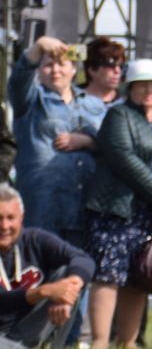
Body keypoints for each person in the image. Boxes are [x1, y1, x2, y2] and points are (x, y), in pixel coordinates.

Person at [83, 59, 152, 349]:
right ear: (131, 88)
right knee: (108, 275)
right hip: (116, 210)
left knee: (140, 277)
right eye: (143, 85)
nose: (150, 90)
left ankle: (127, 343)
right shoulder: (118, 116)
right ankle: (100, 343)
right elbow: (125, 160)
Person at [9, 36, 103, 243]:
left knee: (79, 270)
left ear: (73, 70)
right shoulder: (30, 100)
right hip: (43, 205)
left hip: (84, 205)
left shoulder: (95, 105)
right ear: (38, 71)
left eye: (62, 64)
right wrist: (40, 45)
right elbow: (18, 79)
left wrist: (87, 141)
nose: (55, 70)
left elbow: (112, 145)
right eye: (48, 65)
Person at [0, 184, 93, 349]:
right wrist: (42, 292)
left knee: (68, 273)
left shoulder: (35, 239)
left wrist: (66, 291)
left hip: (30, 330)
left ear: (21, 218)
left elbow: (83, 259)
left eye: (11, 218)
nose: (5, 226)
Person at [81, 37, 124, 111]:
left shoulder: (126, 103)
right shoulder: (72, 102)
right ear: (92, 70)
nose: (117, 71)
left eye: (121, 66)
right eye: (110, 65)